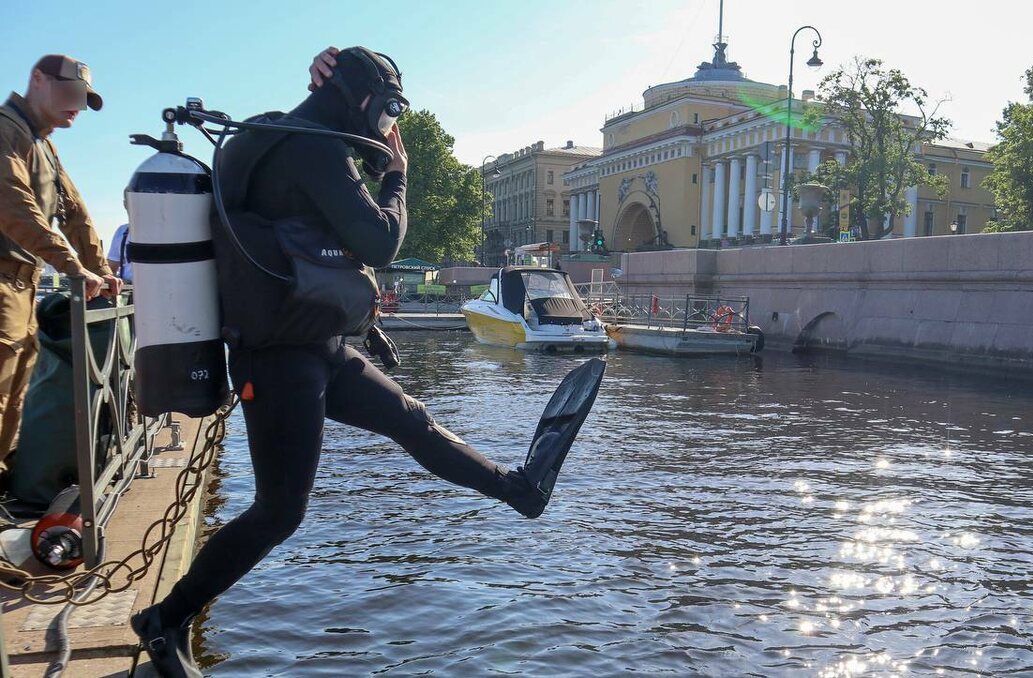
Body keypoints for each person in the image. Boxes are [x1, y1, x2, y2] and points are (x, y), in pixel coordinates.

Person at [129, 47, 601, 678]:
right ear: (365, 102)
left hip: (315, 344)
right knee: (279, 510)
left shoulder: (271, 138)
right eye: (387, 112)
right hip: (278, 360)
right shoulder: (313, 149)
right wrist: (397, 174)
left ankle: (520, 491)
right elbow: (379, 239)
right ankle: (165, 619)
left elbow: (305, 226)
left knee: (412, 418)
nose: (386, 128)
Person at [0, 55, 122, 470]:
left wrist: (101, 270)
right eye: (70, 92)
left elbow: (75, 214)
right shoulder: (6, 130)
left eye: (84, 98)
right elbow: (14, 207)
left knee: (13, 400)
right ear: (37, 79)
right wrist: (72, 266)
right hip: (3, 280)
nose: (78, 104)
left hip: (23, 285)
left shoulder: (43, 144)